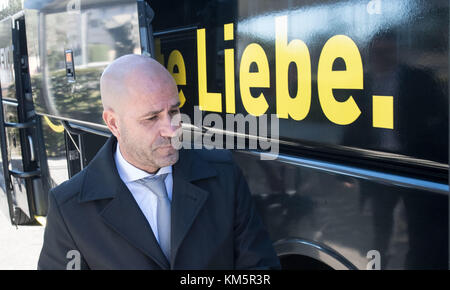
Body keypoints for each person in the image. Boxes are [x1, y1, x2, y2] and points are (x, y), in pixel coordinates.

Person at [37, 54, 281, 270]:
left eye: (174, 112)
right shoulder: (70, 209)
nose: (172, 129)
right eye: (152, 118)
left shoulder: (224, 175)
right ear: (113, 123)